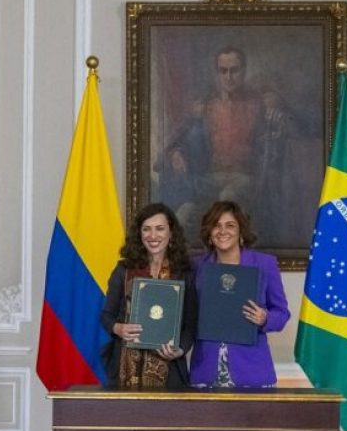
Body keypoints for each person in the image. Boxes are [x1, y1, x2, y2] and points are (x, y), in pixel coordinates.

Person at [155, 45, 293, 242]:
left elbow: (288, 127)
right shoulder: (206, 107)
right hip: (209, 181)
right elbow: (177, 139)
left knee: (228, 197)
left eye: (234, 70)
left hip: (246, 181)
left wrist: (277, 108)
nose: (229, 77)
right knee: (182, 216)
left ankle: (228, 266)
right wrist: (176, 152)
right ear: (217, 74)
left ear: (243, 71)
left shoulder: (259, 105)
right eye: (223, 71)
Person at [189, 201, 290, 388]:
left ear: (241, 231)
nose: (222, 231)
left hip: (251, 371)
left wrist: (265, 318)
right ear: (209, 233)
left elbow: (282, 314)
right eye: (216, 226)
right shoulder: (197, 267)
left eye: (230, 225)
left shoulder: (264, 264)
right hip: (205, 370)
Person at [100, 203, 198, 388]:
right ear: (139, 234)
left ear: (171, 233)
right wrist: (117, 328)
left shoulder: (185, 272)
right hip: (124, 367)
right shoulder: (123, 269)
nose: (153, 236)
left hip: (171, 371)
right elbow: (106, 315)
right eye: (147, 229)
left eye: (160, 229)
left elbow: (191, 324)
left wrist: (180, 349)